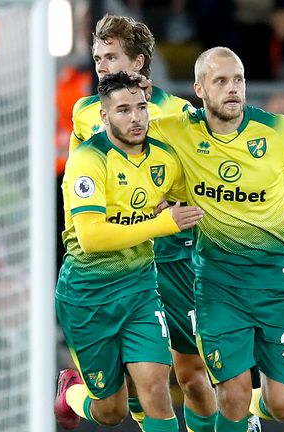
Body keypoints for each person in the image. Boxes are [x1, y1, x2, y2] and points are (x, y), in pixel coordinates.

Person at [148, 47, 284, 431]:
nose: (232, 89)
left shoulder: (278, 130)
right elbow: (131, 132)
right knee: (234, 394)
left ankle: (251, 419)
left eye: (238, 79)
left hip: (278, 284)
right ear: (200, 90)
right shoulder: (177, 131)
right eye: (220, 81)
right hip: (217, 285)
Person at [65, 15, 225, 432]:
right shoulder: (90, 111)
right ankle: (74, 394)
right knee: (117, 406)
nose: (100, 65)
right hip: (108, 260)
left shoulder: (182, 114)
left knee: (185, 372)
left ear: (138, 63)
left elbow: (200, 167)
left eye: (111, 57)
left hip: (172, 255)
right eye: (97, 57)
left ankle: (235, 424)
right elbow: (119, 142)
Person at [53, 72, 203, 432]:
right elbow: (91, 237)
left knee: (155, 387)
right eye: (123, 110)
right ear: (104, 117)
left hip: (139, 288)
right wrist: (164, 224)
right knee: (110, 412)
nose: (135, 118)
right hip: (88, 295)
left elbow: (199, 195)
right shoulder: (88, 161)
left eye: (141, 108)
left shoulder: (164, 159)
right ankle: (70, 393)